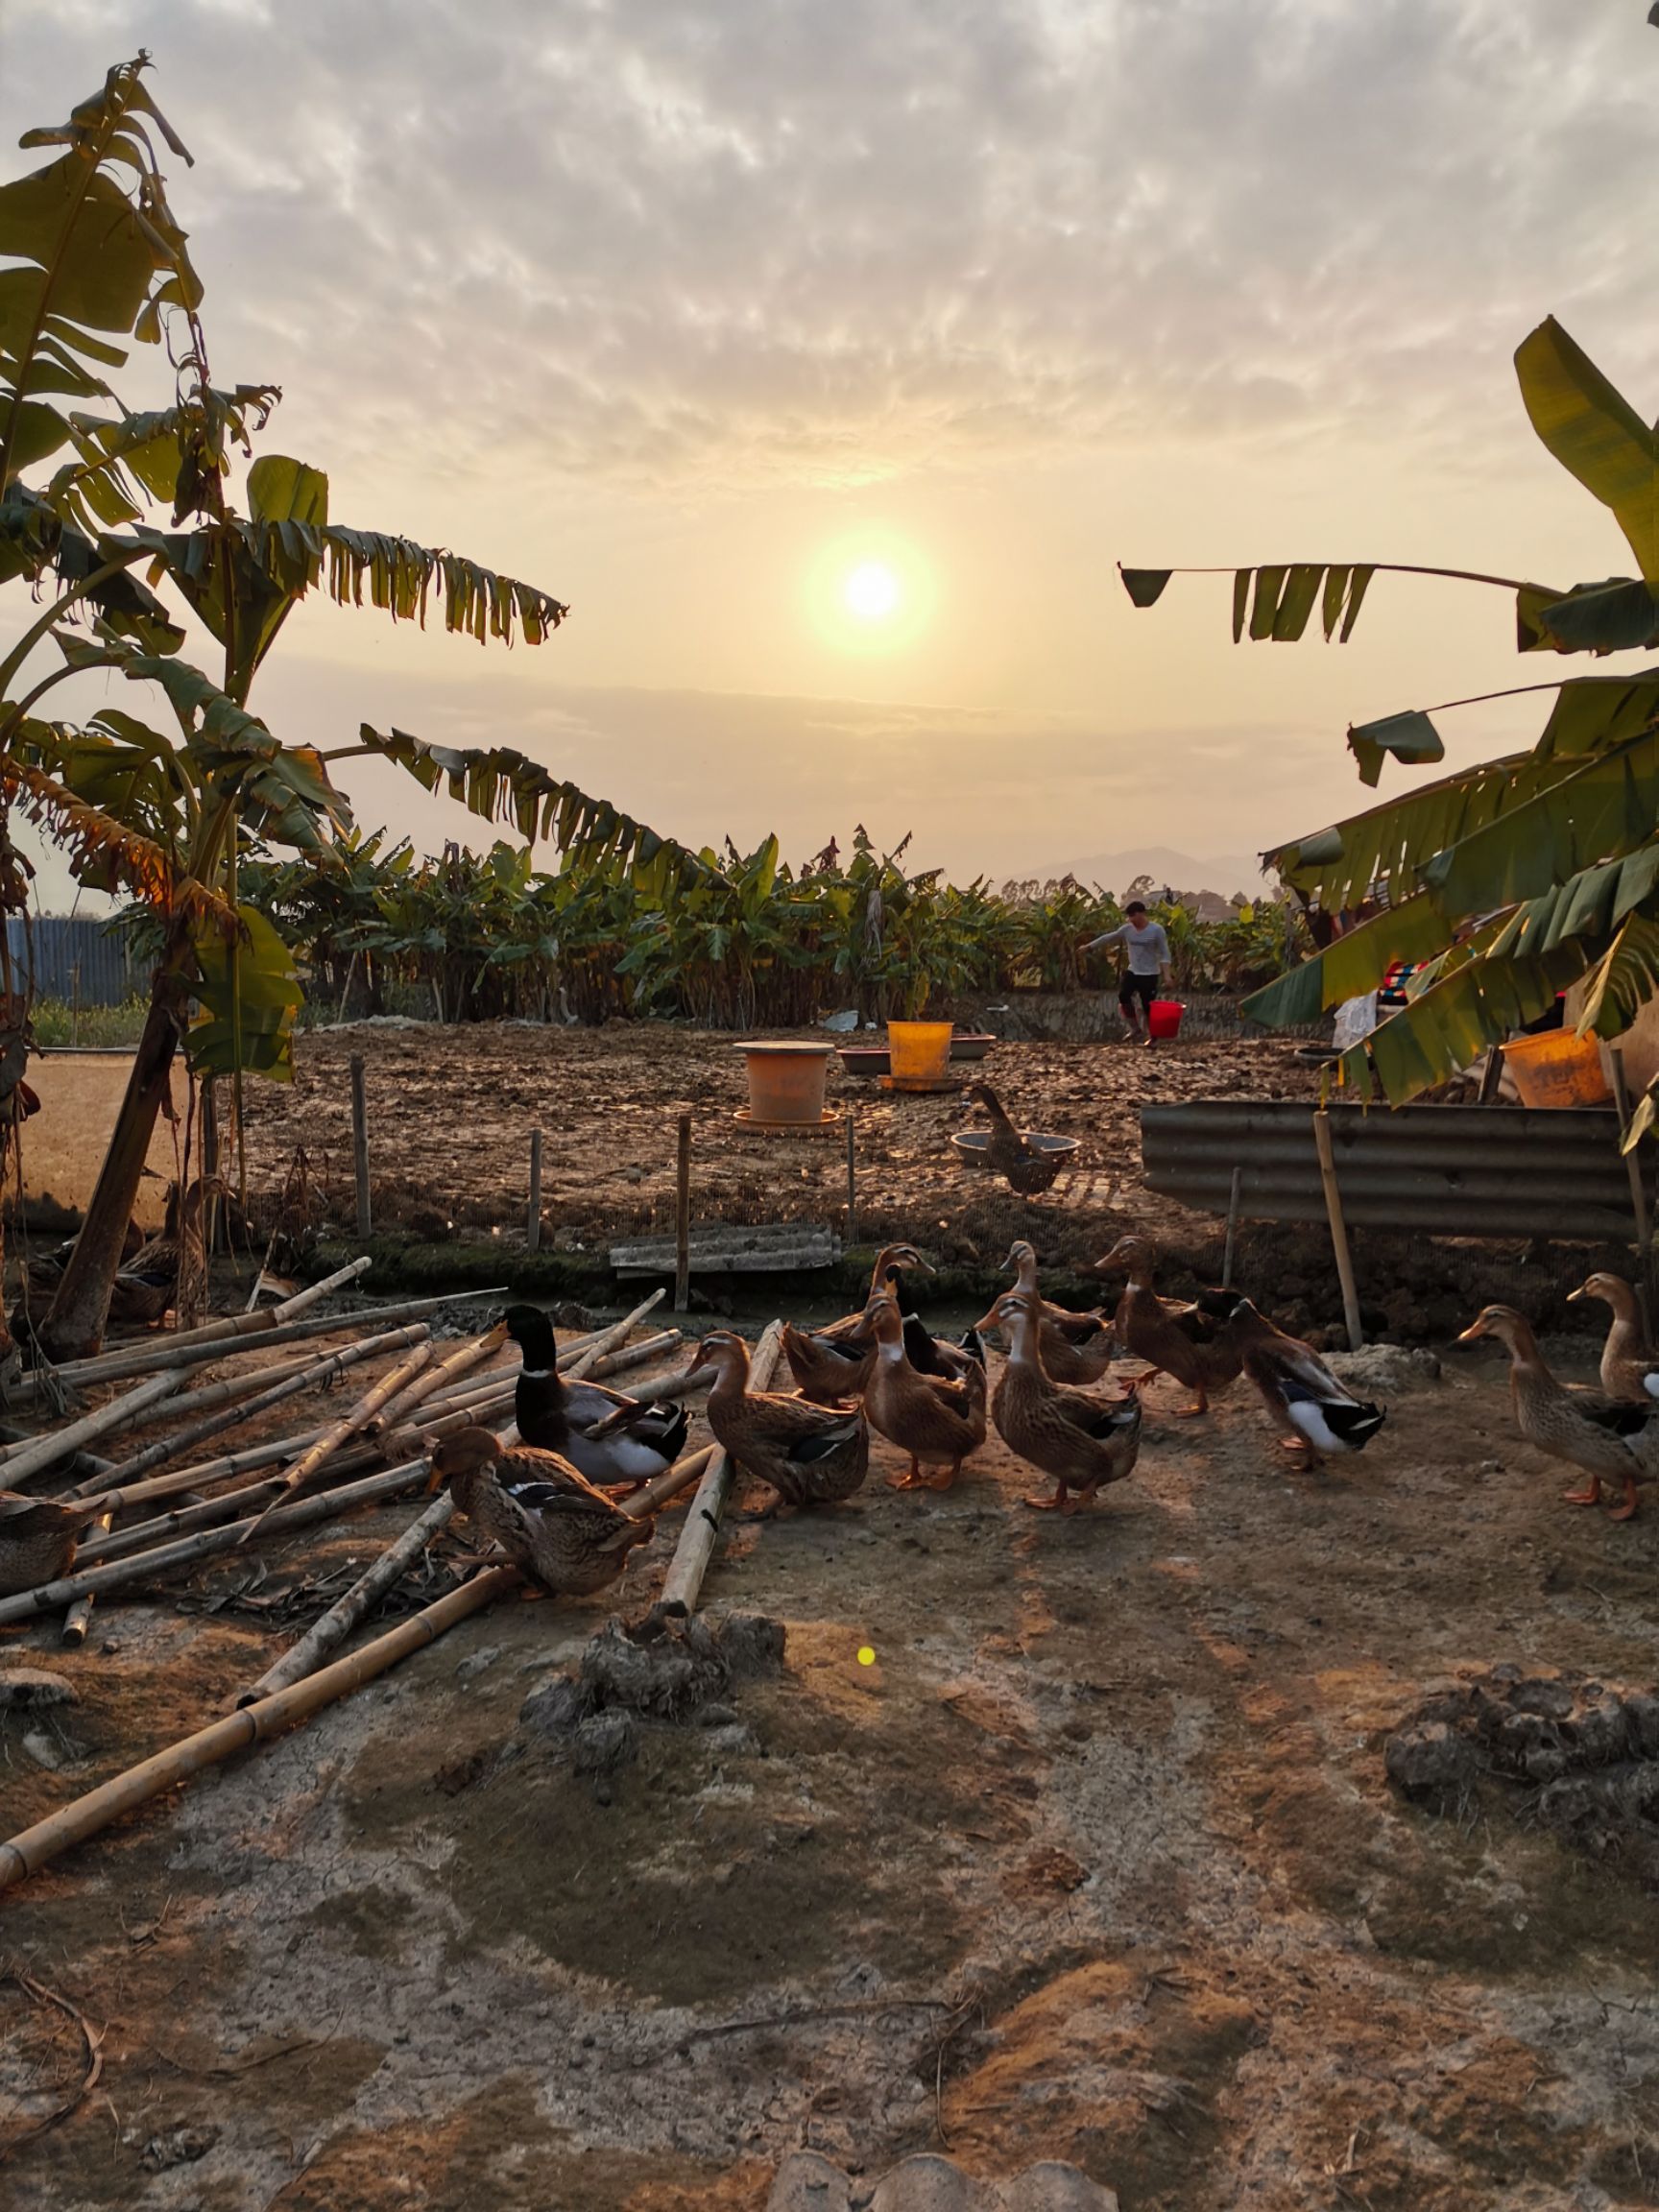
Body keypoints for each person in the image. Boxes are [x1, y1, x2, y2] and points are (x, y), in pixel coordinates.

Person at [1083, 901, 1171, 1044]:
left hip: (1150, 973)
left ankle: (1153, 1036)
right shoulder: (1127, 929)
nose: (1131, 920)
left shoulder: (1156, 930)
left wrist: (1167, 975)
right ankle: (1135, 1028)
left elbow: (1165, 954)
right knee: (1123, 996)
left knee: (1147, 1005)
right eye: (1129, 917)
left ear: (1142, 914)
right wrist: (1089, 946)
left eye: (1133, 916)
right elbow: (1108, 937)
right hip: (1133, 971)